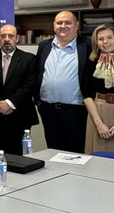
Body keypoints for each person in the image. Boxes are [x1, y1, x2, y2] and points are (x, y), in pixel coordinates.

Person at [34, 10, 90, 153]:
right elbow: (39, 73)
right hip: (48, 111)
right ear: (54, 26)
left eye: (68, 22)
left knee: (77, 154)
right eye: (59, 23)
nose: (63, 26)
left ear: (76, 25)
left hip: (76, 112)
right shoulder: (44, 46)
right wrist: (39, 102)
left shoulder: (87, 46)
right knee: (53, 153)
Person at [0, 23, 39, 155]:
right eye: (3, 36)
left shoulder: (29, 59)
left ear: (17, 38)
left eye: (10, 36)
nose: (7, 39)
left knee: (18, 156)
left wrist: (9, 103)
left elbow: (29, 85)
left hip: (19, 115)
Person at [81, 23, 114, 155]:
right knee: (97, 159)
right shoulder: (91, 63)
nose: (105, 42)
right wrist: (99, 123)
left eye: (109, 37)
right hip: (97, 114)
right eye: (101, 39)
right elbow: (86, 95)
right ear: (96, 42)